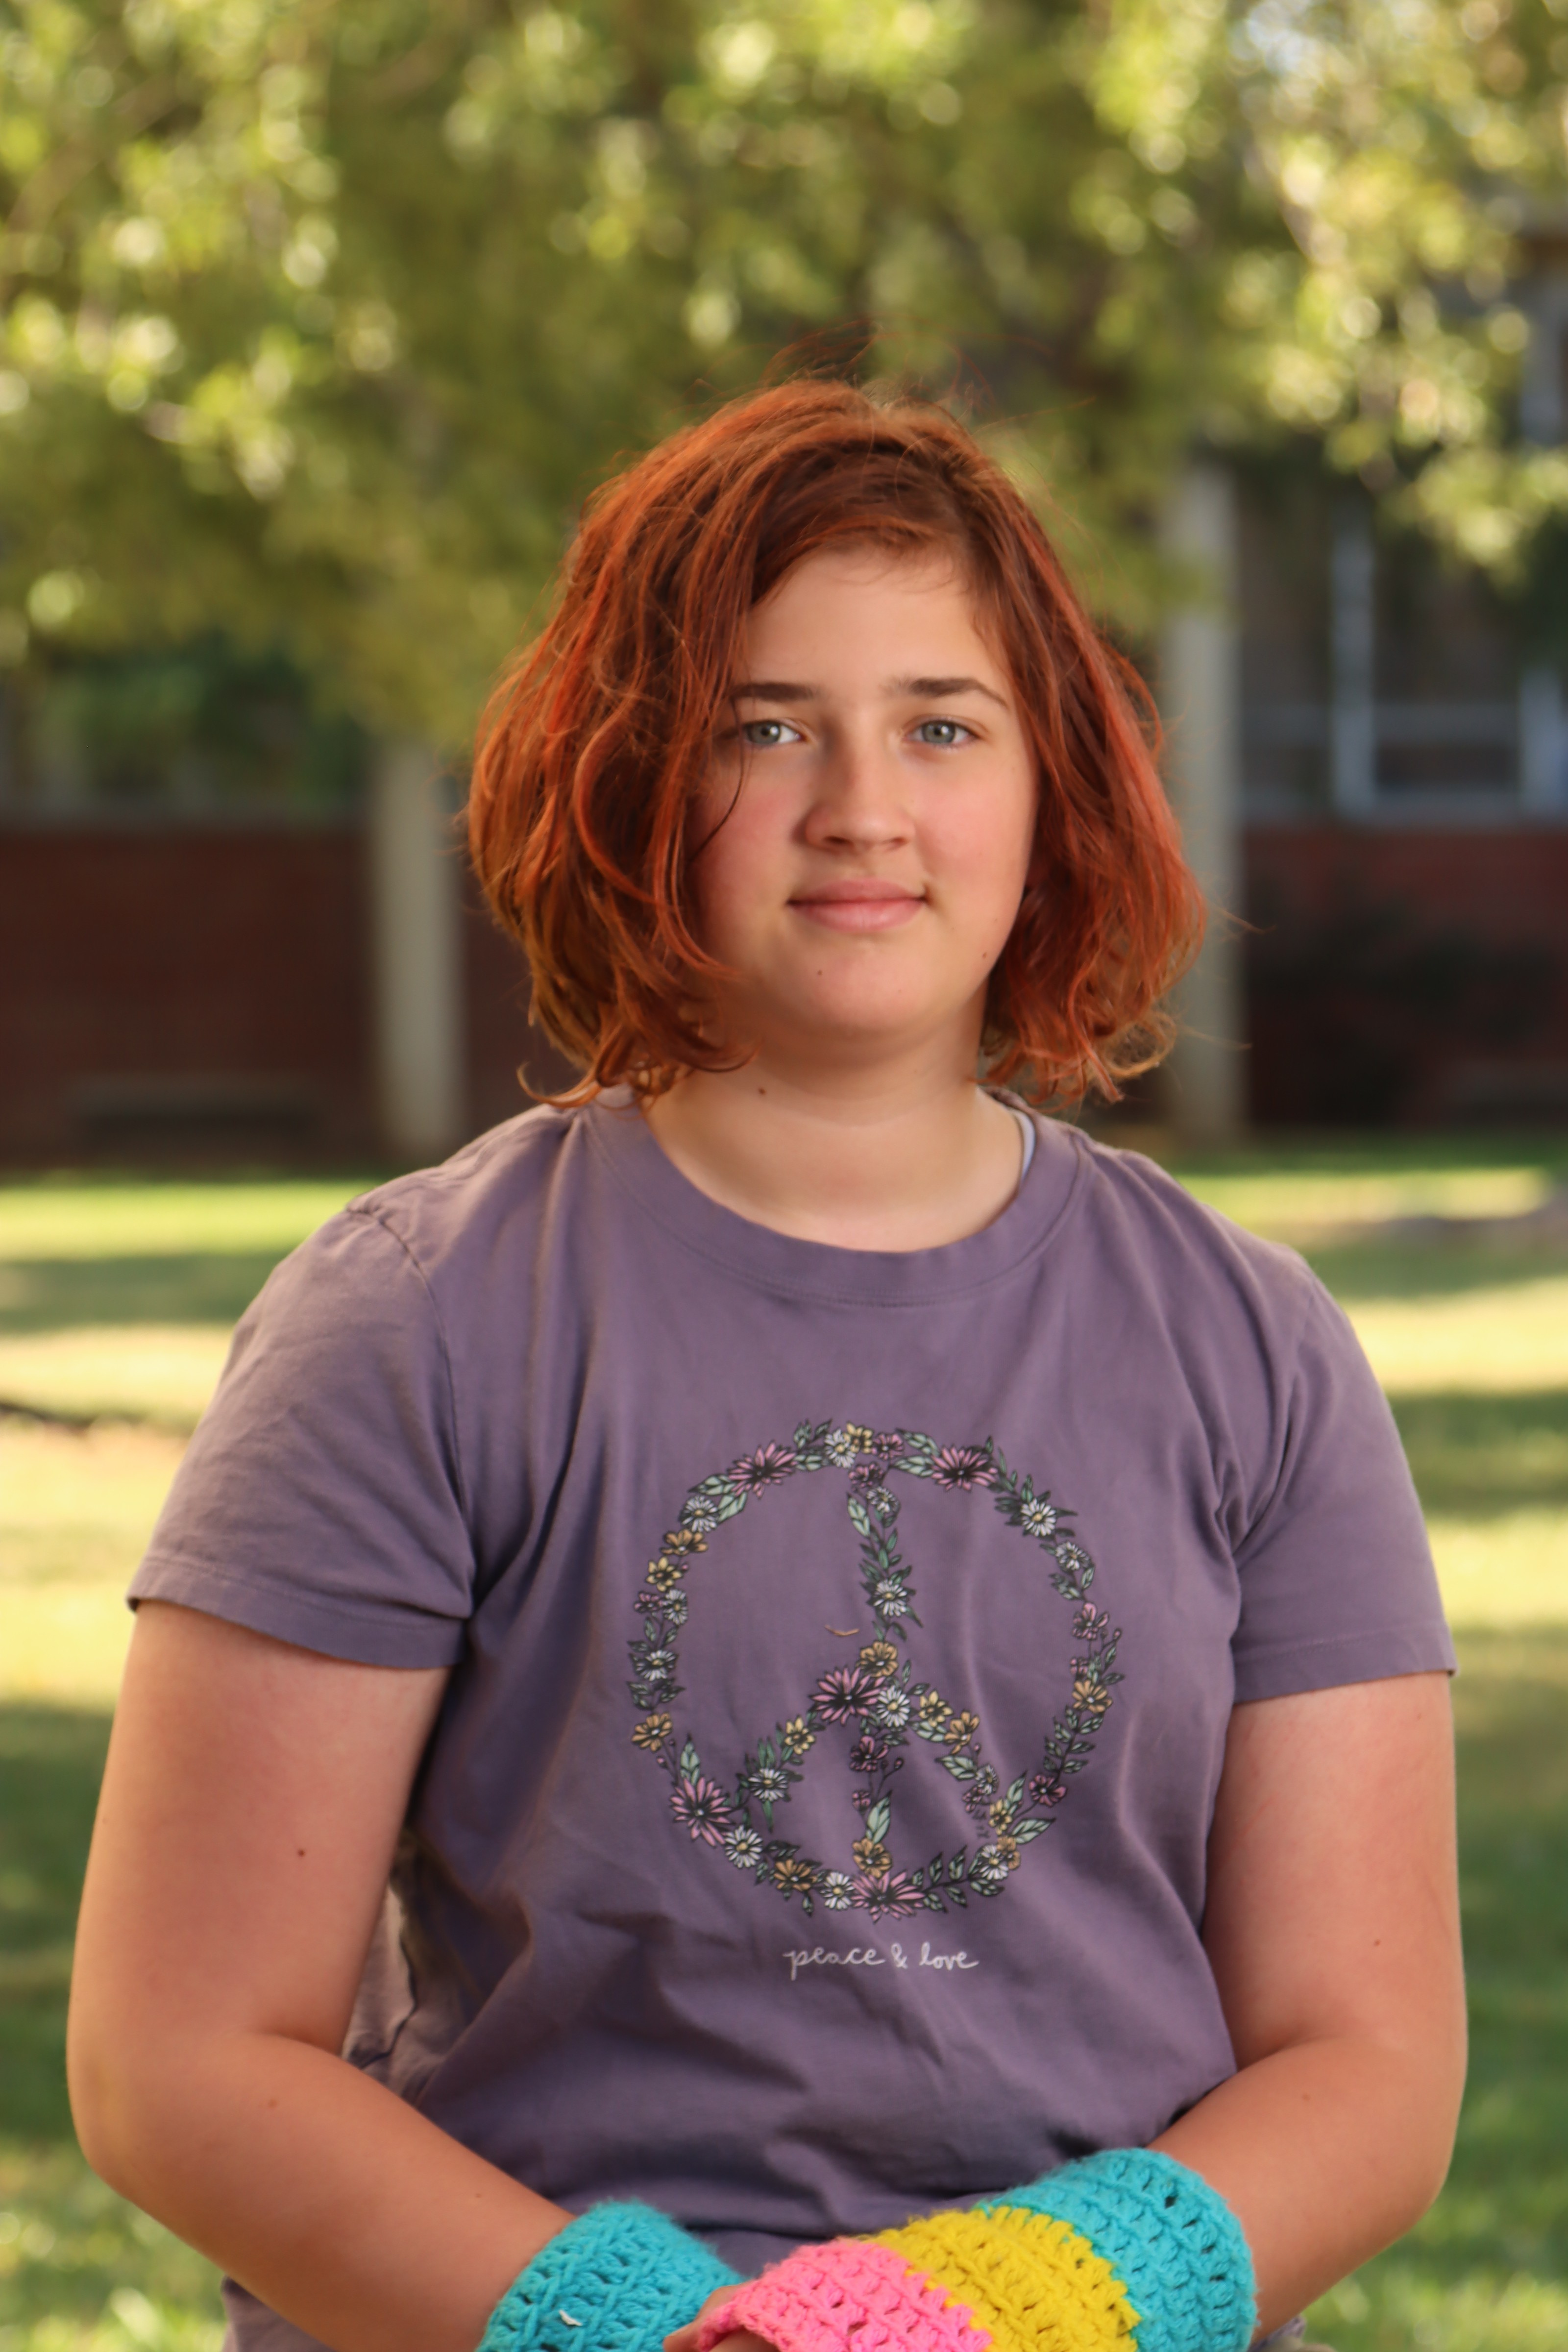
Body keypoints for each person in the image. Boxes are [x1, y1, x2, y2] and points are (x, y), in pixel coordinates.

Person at [67, 379, 1465, 2352]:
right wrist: (655, 2333)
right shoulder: (410, 1320)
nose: (862, 807)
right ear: (629, 777)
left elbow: (1368, 2063)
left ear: (1051, 787)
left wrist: (1008, 2307)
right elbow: (180, 2060)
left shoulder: (1253, 1348)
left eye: (942, 726)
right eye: (764, 726)